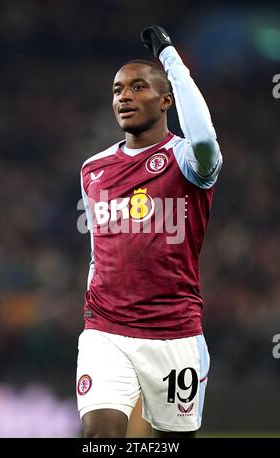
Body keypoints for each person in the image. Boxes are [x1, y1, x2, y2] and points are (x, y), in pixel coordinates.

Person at [76, 25, 222, 438]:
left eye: (138, 87)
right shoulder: (93, 169)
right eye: (117, 89)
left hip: (174, 334)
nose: (124, 96)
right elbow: (98, 250)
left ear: (165, 100)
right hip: (106, 330)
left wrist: (170, 59)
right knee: (99, 436)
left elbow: (206, 136)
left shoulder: (189, 161)